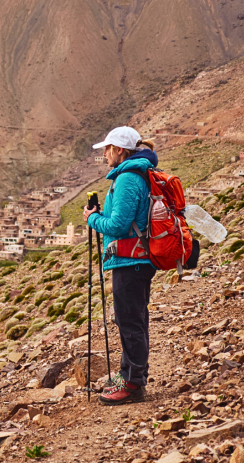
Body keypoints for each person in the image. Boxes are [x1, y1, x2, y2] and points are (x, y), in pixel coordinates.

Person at [82, 126, 158, 406]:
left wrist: (92, 219)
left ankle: (134, 384)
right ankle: (130, 375)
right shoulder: (134, 174)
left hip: (131, 262)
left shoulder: (127, 178)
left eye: (108, 148)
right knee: (132, 320)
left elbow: (117, 225)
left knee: (129, 322)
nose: (104, 154)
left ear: (120, 151)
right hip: (135, 260)